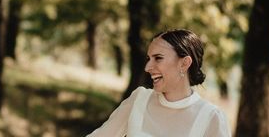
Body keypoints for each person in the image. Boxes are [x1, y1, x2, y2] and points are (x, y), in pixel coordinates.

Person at [85, 29, 231, 137]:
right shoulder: (139, 100)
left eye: (158, 58)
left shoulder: (211, 117)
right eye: (149, 58)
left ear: (185, 63)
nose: (148, 67)